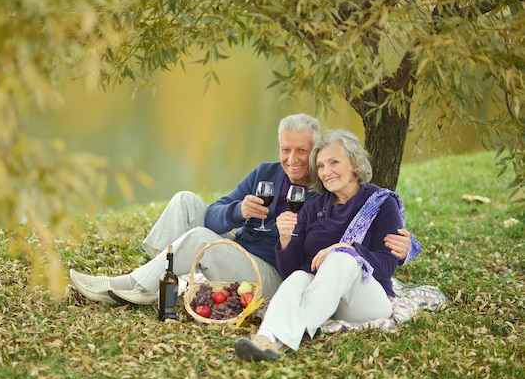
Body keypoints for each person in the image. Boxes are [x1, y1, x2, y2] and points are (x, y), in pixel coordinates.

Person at [69, 115, 413, 306]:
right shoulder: (265, 174)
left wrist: (408, 248)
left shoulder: (325, 192)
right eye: (285, 149)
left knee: (199, 239)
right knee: (186, 199)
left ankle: (127, 286)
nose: (293, 159)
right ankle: (159, 285)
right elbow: (216, 212)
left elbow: (362, 226)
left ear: (317, 152)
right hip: (238, 249)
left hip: (271, 272)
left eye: (303, 151)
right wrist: (238, 211)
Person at [234, 129, 421, 361]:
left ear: (354, 163)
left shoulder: (382, 203)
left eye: (334, 162)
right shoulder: (313, 207)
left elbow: (386, 266)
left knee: (342, 258)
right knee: (297, 279)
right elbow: (291, 271)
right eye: (321, 166)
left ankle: (284, 336)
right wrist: (285, 239)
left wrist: (343, 249)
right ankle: (266, 338)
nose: (326, 171)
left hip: (365, 301)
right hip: (327, 302)